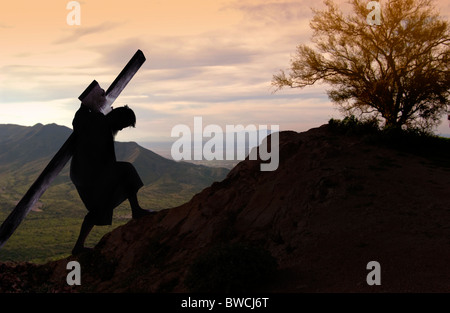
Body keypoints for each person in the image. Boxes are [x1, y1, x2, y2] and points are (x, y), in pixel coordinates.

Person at [70, 80, 154, 255]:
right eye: (122, 125)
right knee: (126, 171)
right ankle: (136, 210)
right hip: (88, 174)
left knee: (100, 206)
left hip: (92, 173)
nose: (121, 129)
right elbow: (81, 122)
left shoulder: (99, 121)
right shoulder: (91, 119)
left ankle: (78, 246)